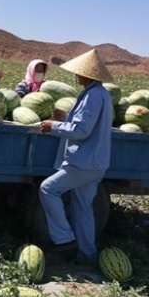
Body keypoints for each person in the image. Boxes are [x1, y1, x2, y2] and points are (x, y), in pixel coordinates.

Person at [38, 48, 114, 265]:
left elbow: (81, 131)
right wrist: (66, 118)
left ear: (87, 74)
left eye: (78, 72)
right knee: (83, 207)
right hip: (95, 164)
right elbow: (84, 123)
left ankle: (64, 239)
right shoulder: (99, 94)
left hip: (84, 163)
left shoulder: (93, 96)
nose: (76, 75)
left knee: (48, 189)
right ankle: (87, 254)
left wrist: (54, 126)